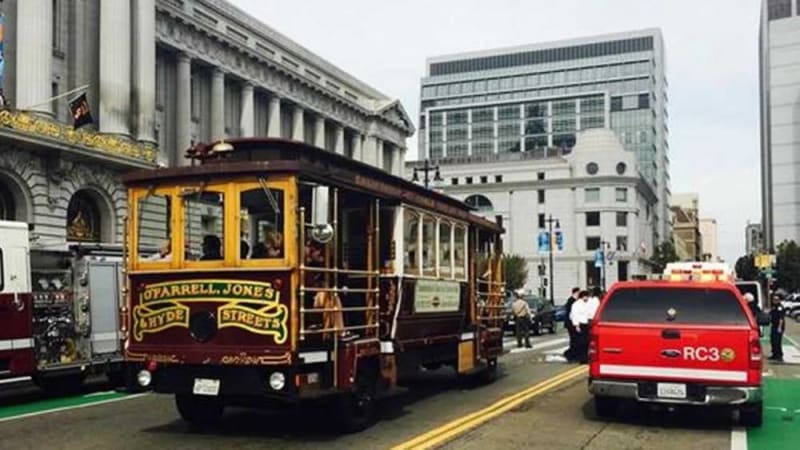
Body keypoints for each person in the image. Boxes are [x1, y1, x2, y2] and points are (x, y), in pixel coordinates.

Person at [570, 290, 592, 364]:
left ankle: (586, 357)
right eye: (586, 296)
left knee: (587, 342)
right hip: (580, 324)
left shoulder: (587, 304)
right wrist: (576, 325)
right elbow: (574, 315)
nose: (587, 298)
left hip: (587, 324)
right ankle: (582, 358)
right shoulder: (576, 304)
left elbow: (590, 313)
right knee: (582, 342)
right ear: (583, 296)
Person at [563, 287, 580, 361]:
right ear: (575, 292)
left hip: (571, 322)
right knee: (574, 339)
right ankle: (570, 354)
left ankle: (572, 354)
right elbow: (571, 313)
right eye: (579, 293)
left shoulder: (572, 300)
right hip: (571, 323)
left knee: (575, 339)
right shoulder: (571, 301)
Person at [769, 294, 786, 362]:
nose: (774, 300)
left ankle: (779, 355)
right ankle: (774, 354)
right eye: (773, 299)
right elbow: (770, 314)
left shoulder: (780, 307)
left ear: (778, 300)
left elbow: (781, 318)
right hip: (774, 325)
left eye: (776, 299)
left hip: (778, 326)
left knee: (777, 341)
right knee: (773, 340)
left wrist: (779, 327)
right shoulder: (774, 307)